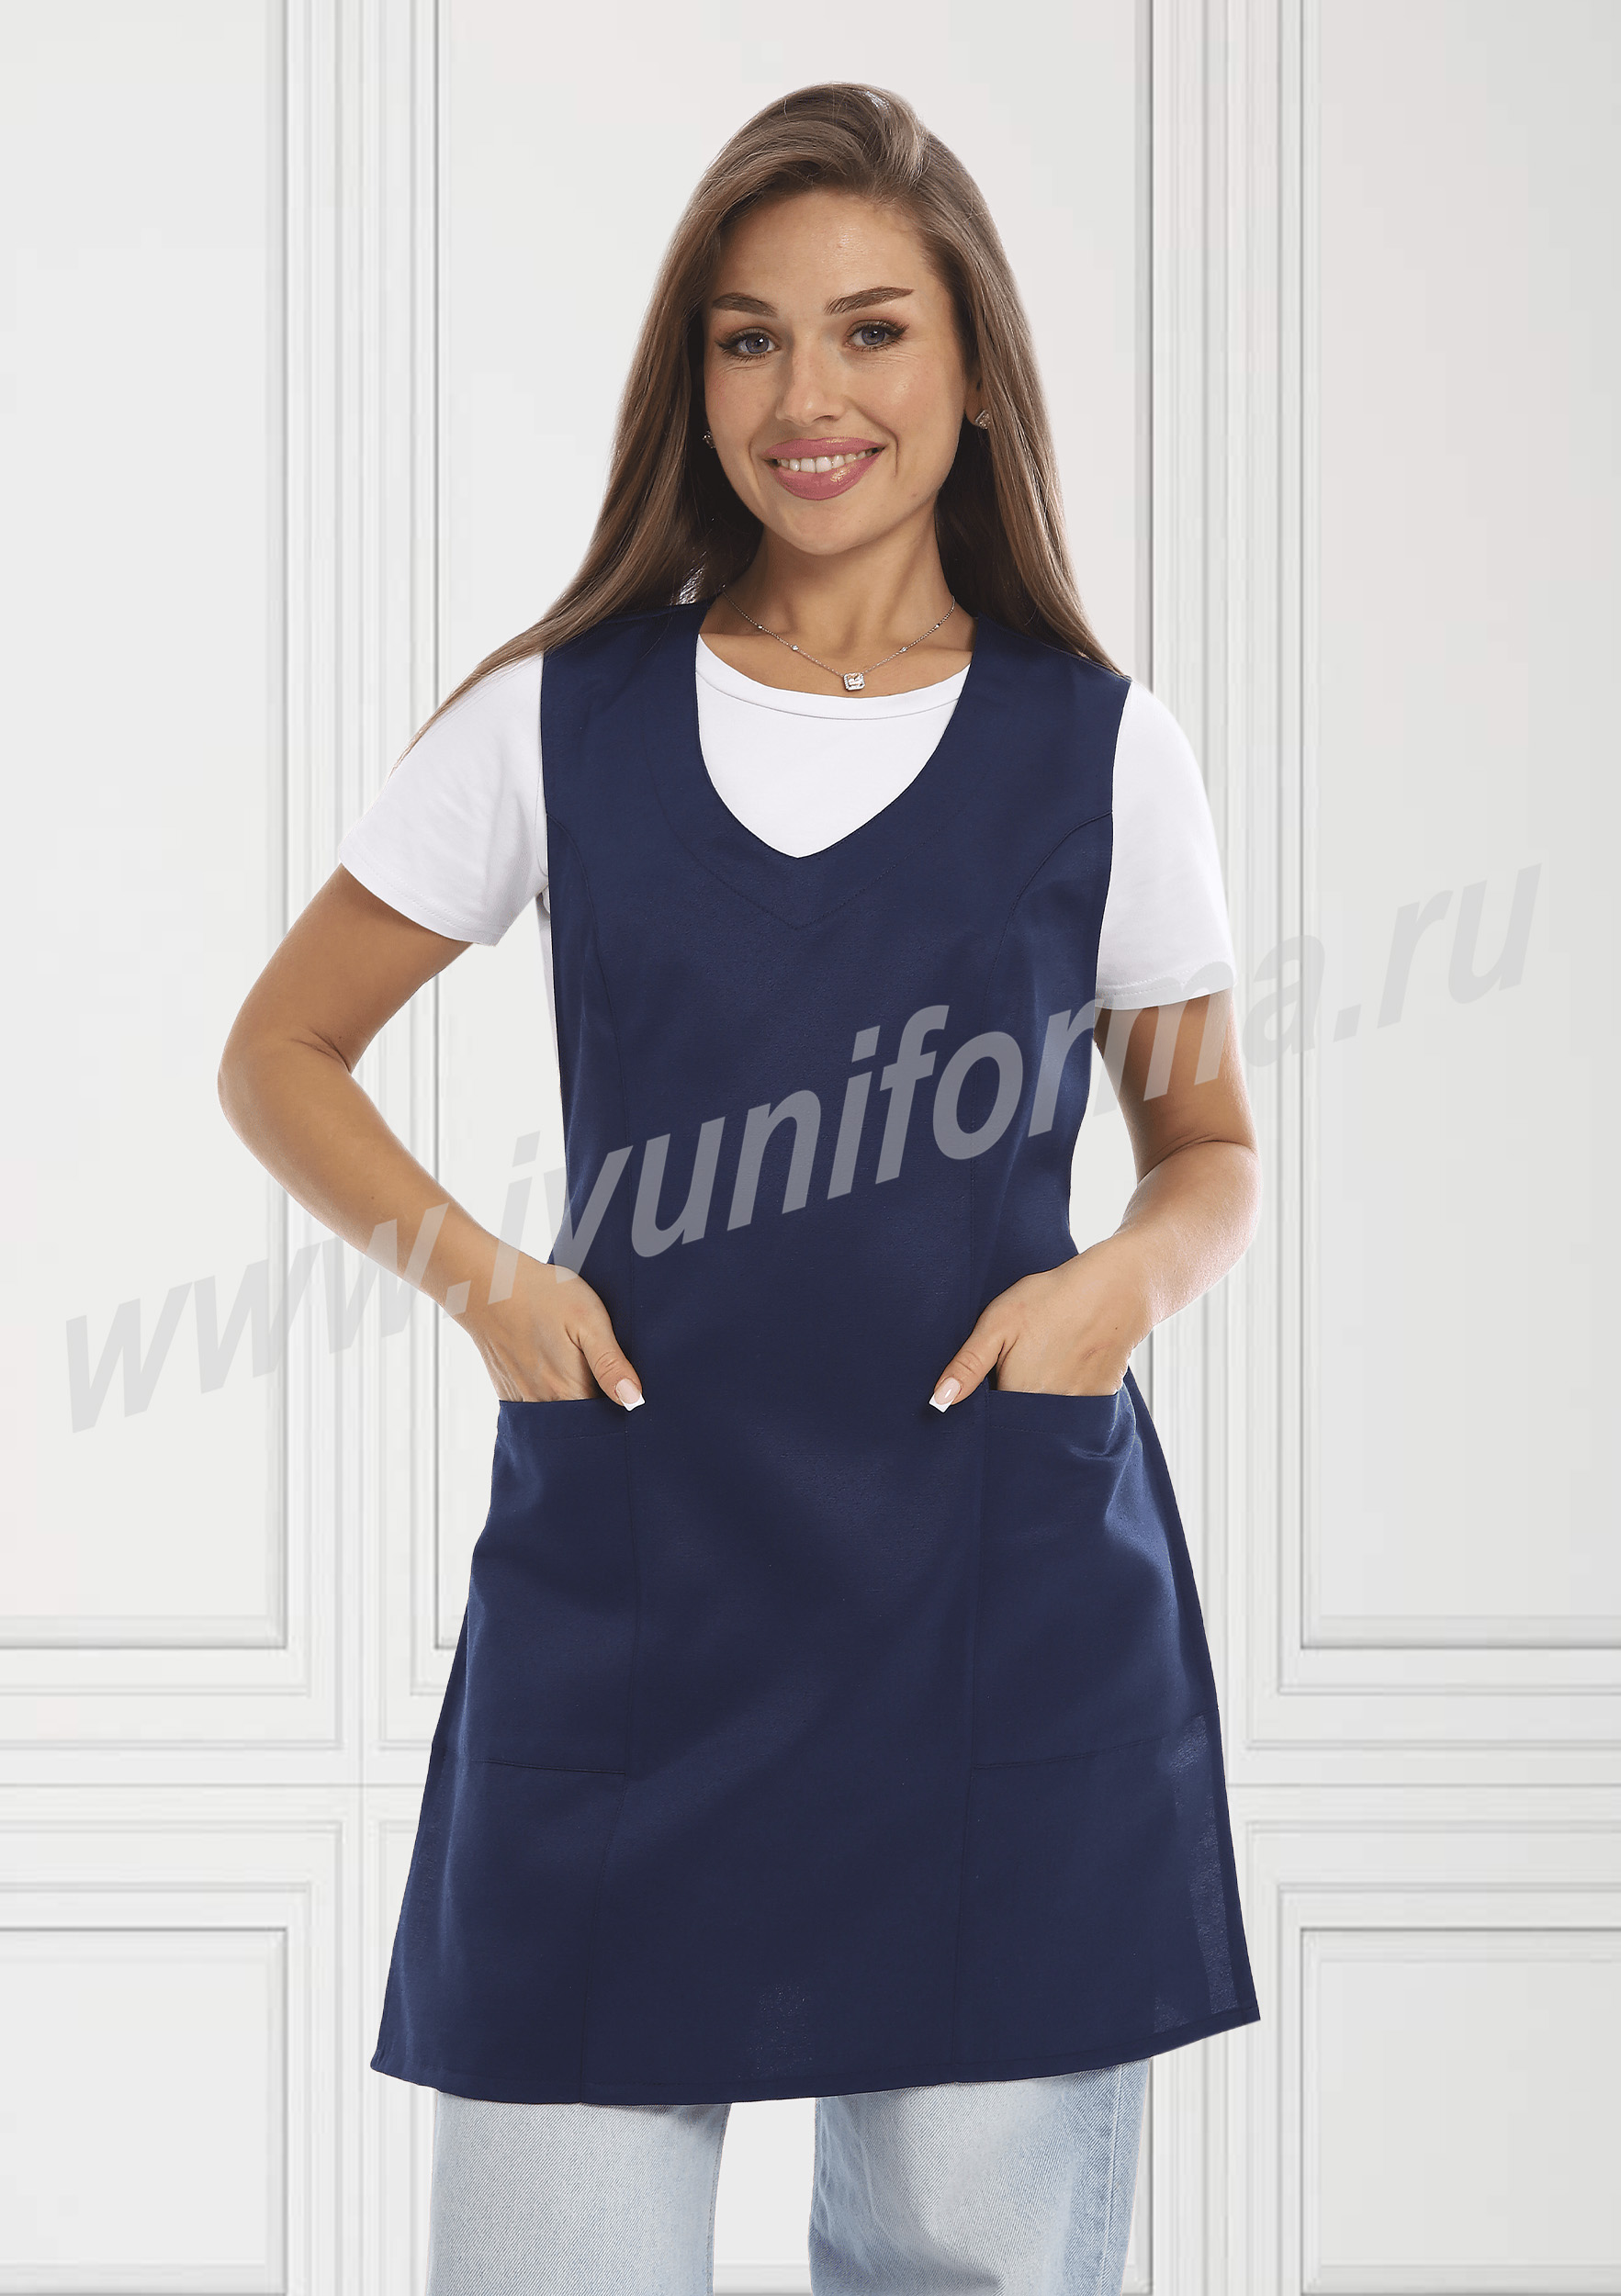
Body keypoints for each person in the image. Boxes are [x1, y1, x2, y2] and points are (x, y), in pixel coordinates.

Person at [220, 79, 1262, 2296]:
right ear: (691, 383)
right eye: (749, 338)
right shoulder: (554, 723)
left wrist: (1118, 1289)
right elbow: (279, 1051)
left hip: (995, 1624)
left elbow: (1210, 1149)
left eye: (872, 332)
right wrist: (483, 1278)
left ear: (971, 373)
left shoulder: (1100, 746)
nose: (810, 397)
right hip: (632, 1612)